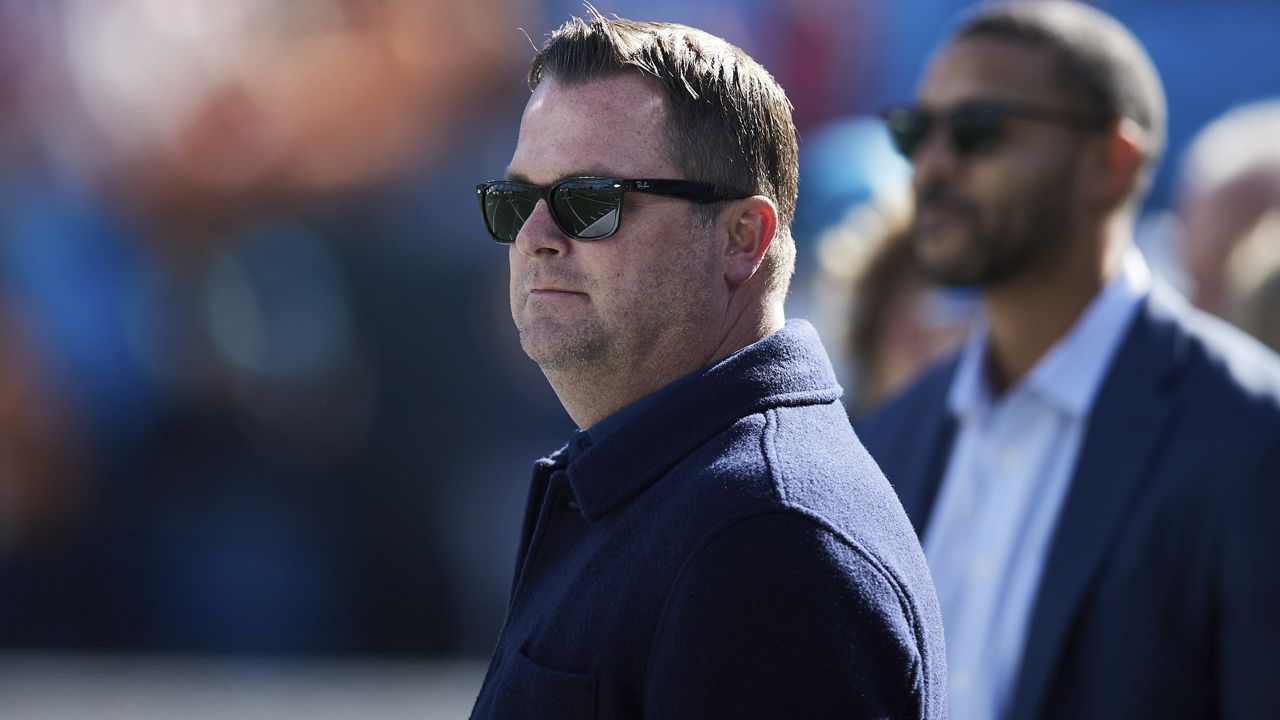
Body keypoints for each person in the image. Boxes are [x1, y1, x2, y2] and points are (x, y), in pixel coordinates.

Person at [469, 9, 945, 719]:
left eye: (588, 201)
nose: (534, 236)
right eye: (515, 200)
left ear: (741, 239)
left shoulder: (767, 540)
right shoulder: (686, 493)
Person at [859, 2, 1280, 719]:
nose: (932, 165)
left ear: (1109, 163)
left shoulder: (1250, 433)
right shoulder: (886, 441)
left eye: (976, 130)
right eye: (913, 132)